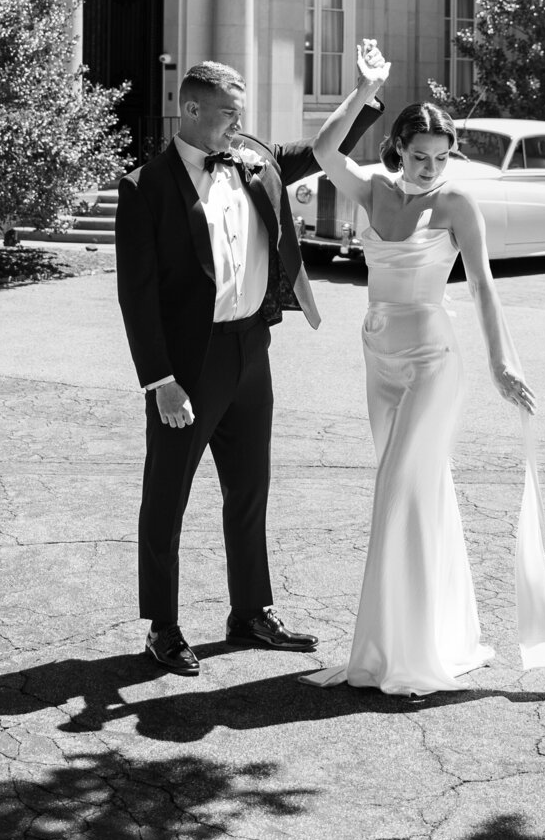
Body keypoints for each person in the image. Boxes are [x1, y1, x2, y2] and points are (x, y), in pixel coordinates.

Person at [115, 59, 382, 676]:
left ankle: (251, 611)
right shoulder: (145, 186)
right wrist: (160, 380)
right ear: (190, 111)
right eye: (229, 114)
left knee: (250, 488)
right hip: (186, 366)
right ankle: (163, 626)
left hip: (250, 352)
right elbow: (138, 294)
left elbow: (321, 150)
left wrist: (364, 93)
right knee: (167, 496)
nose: (240, 125)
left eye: (241, 113)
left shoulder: (255, 162)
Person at [305, 40, 545, 698]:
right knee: (417, 497)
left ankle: (406, 659)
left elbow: (483, 288)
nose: (430, 170)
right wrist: (363, 88)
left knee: (398, 492)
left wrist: (501, 363)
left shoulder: (457, 206)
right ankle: (430, 636)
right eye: (419, 157)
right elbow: (325, 152)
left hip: (434, 360)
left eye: (441, 160)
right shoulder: (375, 190)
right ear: (398, 150)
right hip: (377, 356)